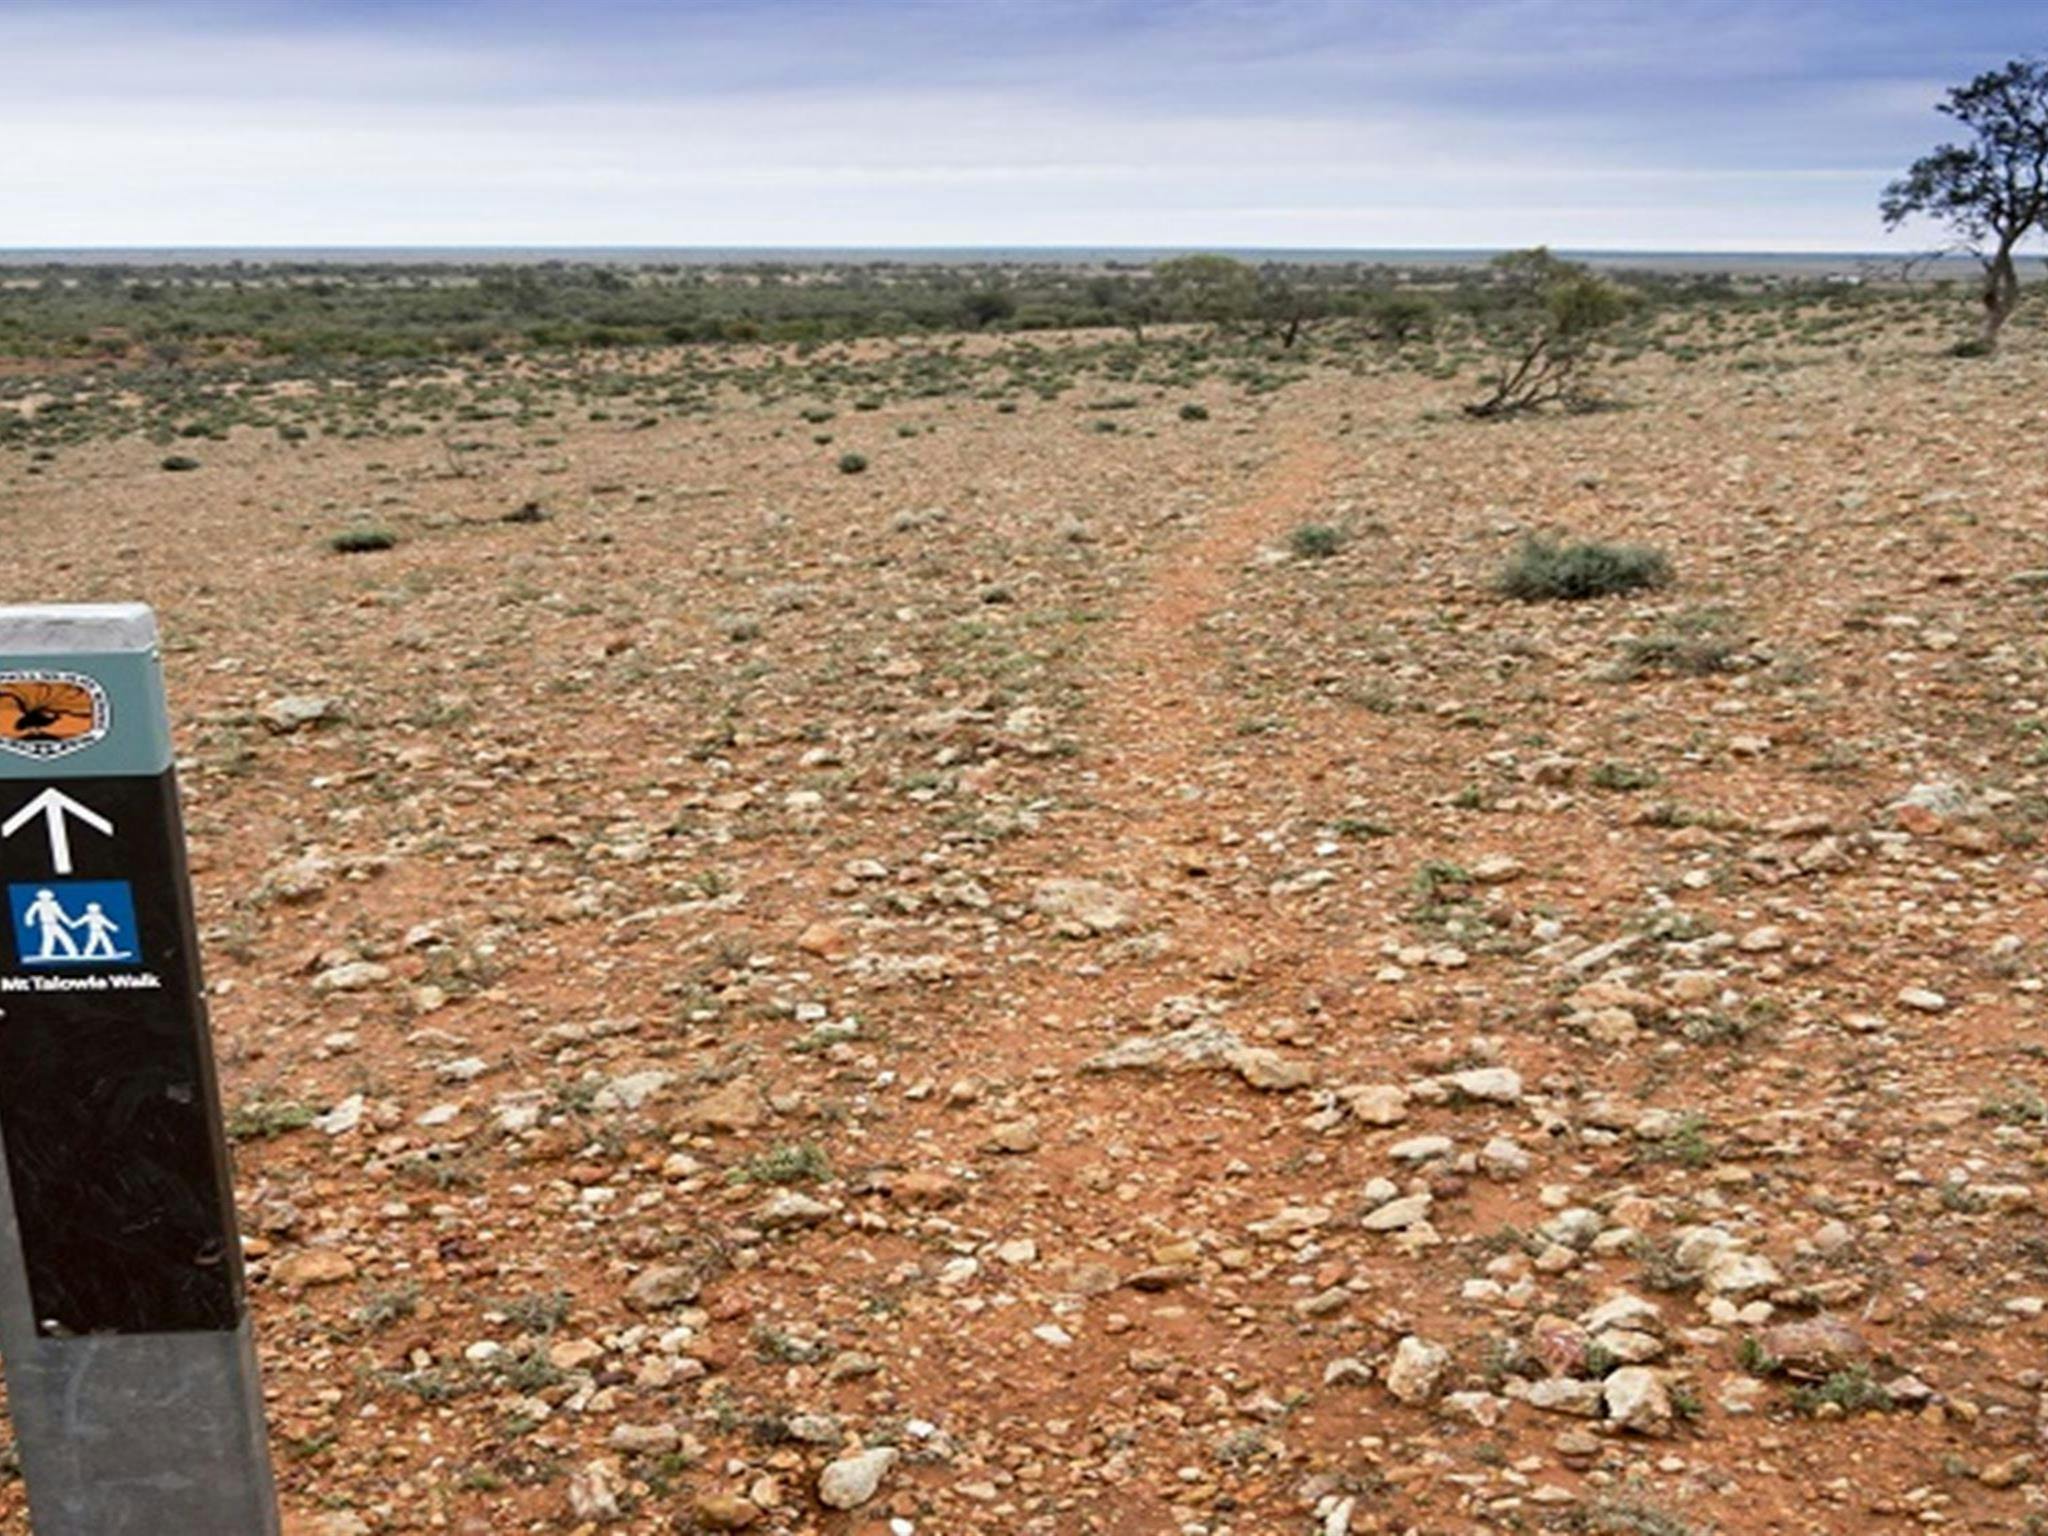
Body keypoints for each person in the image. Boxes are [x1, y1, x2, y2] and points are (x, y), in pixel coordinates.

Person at [22, 888, 80, 961]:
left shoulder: (54, 904)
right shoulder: (37, 904)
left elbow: (60, 914)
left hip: (55, 924)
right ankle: (45, 954)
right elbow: (29, 913)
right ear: (40, 897)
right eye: (43, 897)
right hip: (46, 925)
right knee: (48, 939)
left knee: (64, 937)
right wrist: (29, 920)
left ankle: (73, 952)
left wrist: (69, 922)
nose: (45, 898)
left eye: (47, 897)